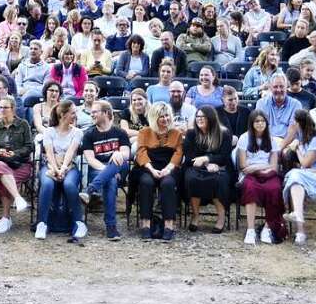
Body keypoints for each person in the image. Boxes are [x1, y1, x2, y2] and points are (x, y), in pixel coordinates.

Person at [78, 100, 130, 240]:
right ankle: (111, 227)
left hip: (120, 167)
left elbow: (126, 154)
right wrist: (109, 170)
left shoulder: (120, 132)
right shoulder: (89, 134)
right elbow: (91, 160)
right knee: (110, 180)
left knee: (117, 161)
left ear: (106, 113)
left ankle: (90, 190)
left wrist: (119, 154)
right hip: (98, 170)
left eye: (95, 112)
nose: (92, 114)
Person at [281, 109, 316, 245]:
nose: (291, 125)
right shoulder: (304, 139)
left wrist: (297, 148)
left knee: (294, 174)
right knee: (296, 183)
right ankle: (300, 231)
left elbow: (305, 163)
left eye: (293, 122)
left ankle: (296, 214)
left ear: (299, 123)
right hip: (308, 177)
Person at [36, 100, 85, 241]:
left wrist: (63, 169)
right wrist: (56, 169)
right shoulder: (49, 131)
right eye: (73, 112)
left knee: (69, 184)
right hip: (51, 166)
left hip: (69, 167)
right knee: (47, 184)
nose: (75, 115)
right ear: (63, 115)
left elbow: (71, 152)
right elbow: (49, 153)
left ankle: (78, 221)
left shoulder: (77, 132)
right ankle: (42, 223)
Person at [134, 102, 183, 241]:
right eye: (161, 117)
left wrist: (168, 169)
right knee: (146, 182)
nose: (165, 119)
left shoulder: (176, 133)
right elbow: (141, 152)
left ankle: (169, 224)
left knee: (167, 184)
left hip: (169, 167)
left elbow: (178, 153)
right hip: (148, 166)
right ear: (154, 118)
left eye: (167, 115)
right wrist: (151, 169)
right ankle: (145, 223)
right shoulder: (145, 132)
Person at [237, 109, 287, 244]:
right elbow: (243, 165)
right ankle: (251, 229)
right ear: (252, 123)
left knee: (274, 189)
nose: (260, 124)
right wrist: (259, 167)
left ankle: (267, 227)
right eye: (257, 121)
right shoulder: (244, 138)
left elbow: (274, 166)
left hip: (268, 174)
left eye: (262, 121)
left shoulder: (272, 140)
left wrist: (256, 166)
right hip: (251, 175)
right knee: (250, 188)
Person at [181, 105, 232, 233]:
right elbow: (189, 156)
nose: (200, 119)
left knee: (218, 180)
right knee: (191, 179)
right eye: (198, 116)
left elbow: (224, 156)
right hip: (195, 167)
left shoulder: (224, 133)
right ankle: (195, 216)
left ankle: (221, 218)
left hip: (219, 167)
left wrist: (208, 159)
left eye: (203, 116)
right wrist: (206, 162)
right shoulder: (191, 134)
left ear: (211, 118)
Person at [0, 96, 34, 235]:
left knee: (2, 177)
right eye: (0, 107)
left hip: (21, 164)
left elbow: (29, 146)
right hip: (4, 163)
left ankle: (6, 218)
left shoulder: (23, 124)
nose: (2, 110)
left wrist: (14, 154)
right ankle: (18, 198)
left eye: (5, 107)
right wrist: (1, 153)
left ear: (13, 109)